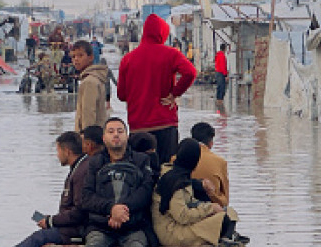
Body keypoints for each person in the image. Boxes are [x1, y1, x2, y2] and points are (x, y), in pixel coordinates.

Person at [76, 117, 155, 247]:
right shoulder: (95, 163)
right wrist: (111, 209)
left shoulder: (142, 160)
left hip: (133, 223)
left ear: (127, 136)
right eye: (111, 131)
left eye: (120, 131)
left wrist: (123, 210)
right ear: (104, 138)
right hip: (101, 224)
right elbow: (86, 197)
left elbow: (145, 191)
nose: (116, 135)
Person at [117, 14, 197, 168]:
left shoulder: (127, 59)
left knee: (139, 173)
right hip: (165, 124)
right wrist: (175, 93)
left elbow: (121, 95)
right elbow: (190, 72)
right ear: (162, 33)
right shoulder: (171, 54)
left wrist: (138, 94)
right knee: (166, 171)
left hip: (138, 127)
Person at [151, 139, 247, 247]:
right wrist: (209, 209)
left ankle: (226, 237)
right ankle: (225, 238)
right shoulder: (174, 181)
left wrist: (209, 207)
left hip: (178, 225)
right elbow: (182, 216)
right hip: (171, 232)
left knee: (229, 213)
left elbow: (190, 202)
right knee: (221, 219)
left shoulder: (180, 176)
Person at [71, 40, 109, 131]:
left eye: (80, 55)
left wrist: (86, 137)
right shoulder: (94, 78)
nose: (76, 59)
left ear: (91, 57)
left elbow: (88, 113)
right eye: (73, 56)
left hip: (90, 137)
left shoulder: (89, 82)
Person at [189, 122, 229, 207]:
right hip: (211, 210)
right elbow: (225, 201)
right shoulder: (220, 162)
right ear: (211, 143)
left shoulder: (175, 159)